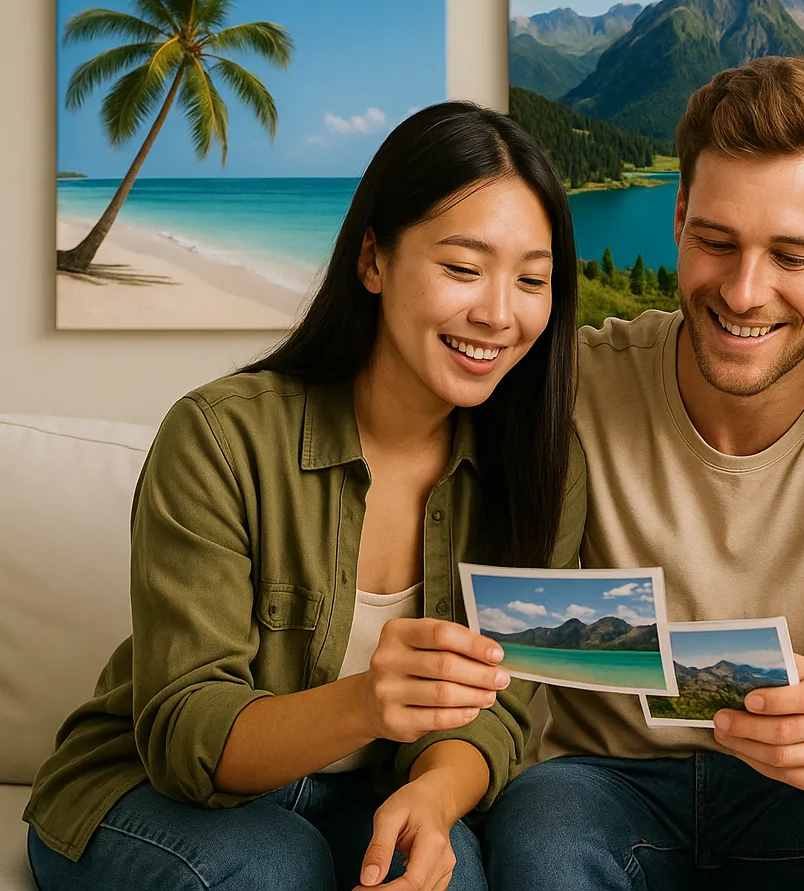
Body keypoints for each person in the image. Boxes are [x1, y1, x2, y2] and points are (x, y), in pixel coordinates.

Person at [25, 102, 587, 891]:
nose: (499, 313)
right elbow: (187, 736)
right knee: (276, 869)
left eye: (532, 279)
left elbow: (498, 709)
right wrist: (369, 704)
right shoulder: (220, 438)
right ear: (373, 262)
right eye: (462, 268)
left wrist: (430, 797)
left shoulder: (545, 471)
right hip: (142, 790)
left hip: (370, 792)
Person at [482, 56, 804, 891]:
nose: (744, 292)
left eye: (793, 256)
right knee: (541, 821)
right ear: (680, 218)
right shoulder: (566, 384)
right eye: (717, 242)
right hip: (604, 787)